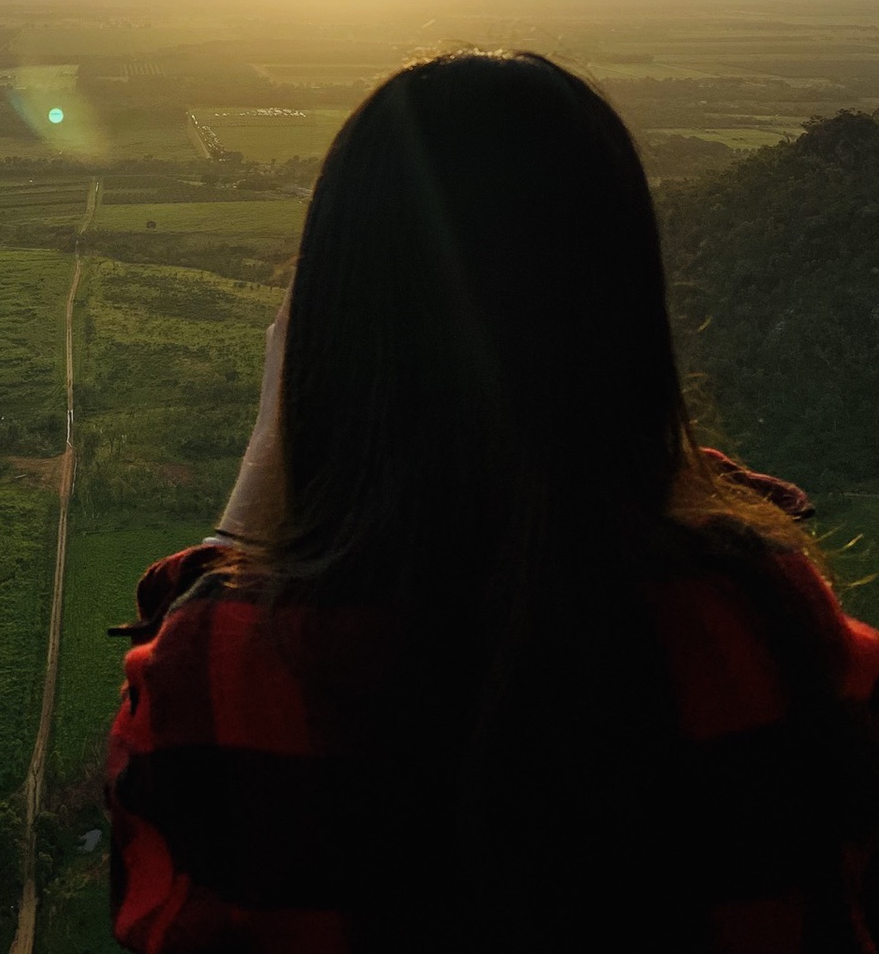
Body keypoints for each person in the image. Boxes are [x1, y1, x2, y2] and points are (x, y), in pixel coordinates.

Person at [105, 51, 879, 952]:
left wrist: (256, 487)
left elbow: (150, 869)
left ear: (327, 332)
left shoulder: (232, 666)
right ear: (632, 320)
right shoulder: (769, 626)